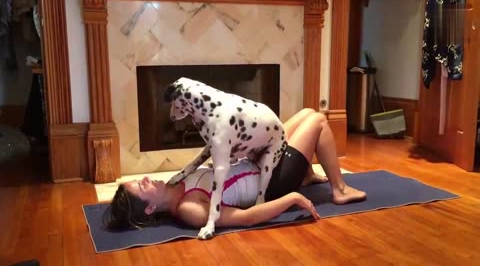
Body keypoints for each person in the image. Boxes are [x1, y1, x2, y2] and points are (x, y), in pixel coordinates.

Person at [103, 109, 366, 230]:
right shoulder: (189, 209)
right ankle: (339, 189)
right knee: (318, 120)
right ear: (149, 209)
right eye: (142, 186)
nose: (147, 179)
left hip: (259, 162)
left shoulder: (175, 183)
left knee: (306, 112)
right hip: (274, 182)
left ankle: (306, 175)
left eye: (140, 180)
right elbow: (246, 218)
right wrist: (292, 199)